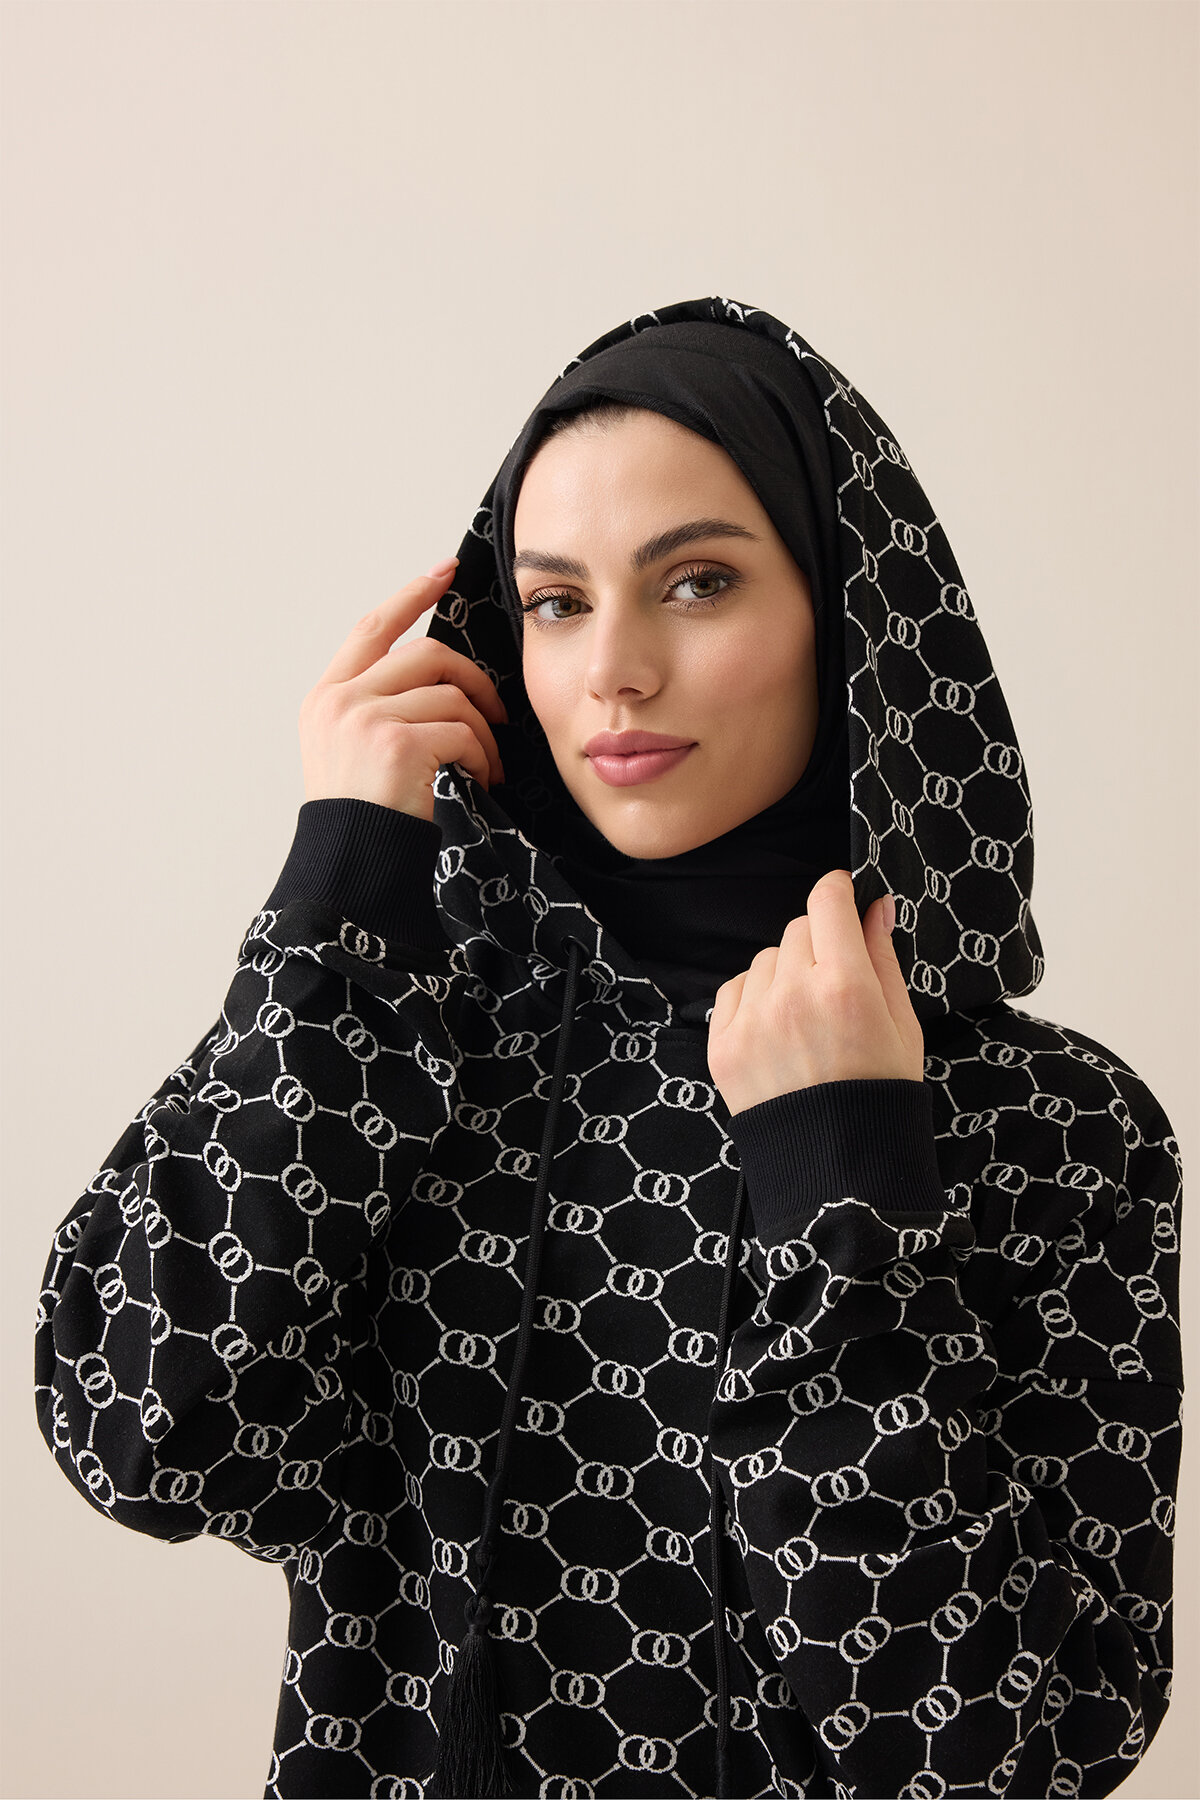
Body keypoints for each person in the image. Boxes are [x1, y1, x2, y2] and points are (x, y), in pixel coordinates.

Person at [34, 295, 1183, 1800]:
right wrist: (340, 898)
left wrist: (844, 1190)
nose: (614, 672)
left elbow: (996, 1758)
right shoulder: (409, 1047)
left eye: (698, 583)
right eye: (558, 602)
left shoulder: (1055, 1124)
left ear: (845, 616)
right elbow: (144, 1430)